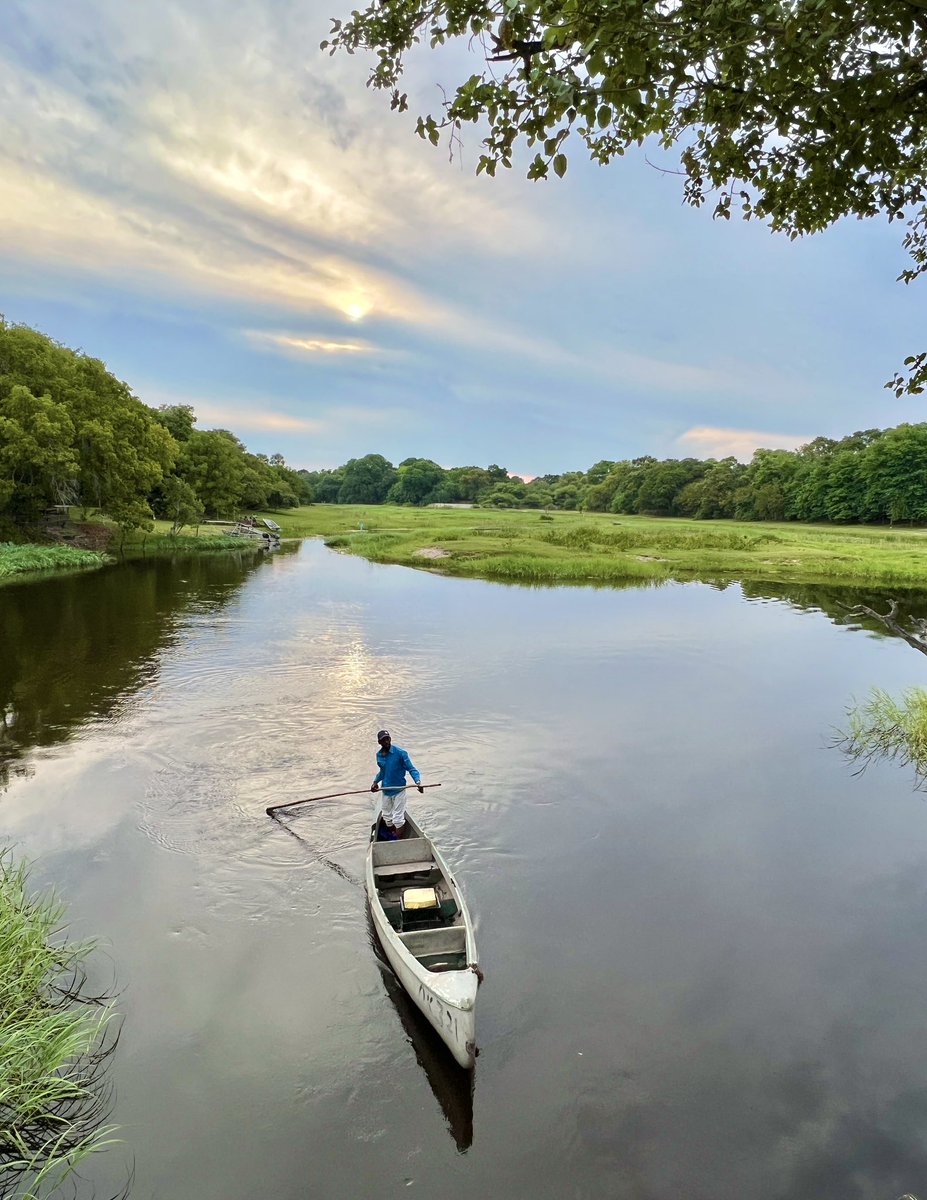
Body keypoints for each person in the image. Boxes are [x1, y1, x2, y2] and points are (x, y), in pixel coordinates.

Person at [370, 730, 423, 839]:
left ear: (390, 739)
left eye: (387, 739)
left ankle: (397, 840)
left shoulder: (401, 753)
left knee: (398, 819)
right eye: (383, 740)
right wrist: (375, 782)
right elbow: (383, 772)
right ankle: (392, 835)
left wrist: (418, 782)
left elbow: (412, 769)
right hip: (386, 790)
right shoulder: (379, 755)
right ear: (379, 742)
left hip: (399, 789)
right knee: (387, 817)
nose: (386, 742)